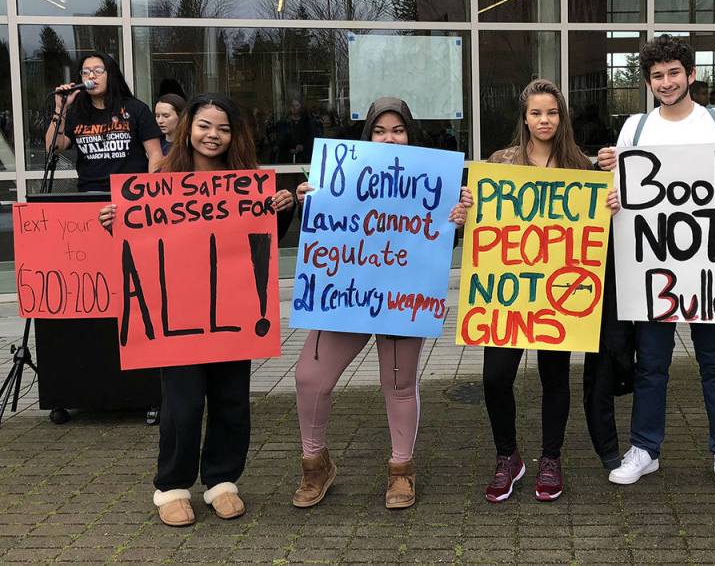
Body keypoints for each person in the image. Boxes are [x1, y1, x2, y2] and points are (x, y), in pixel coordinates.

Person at [100, 93, 296, 528]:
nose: (213, 135)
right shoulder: (160, 181)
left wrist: (282, 211)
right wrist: (116, 223)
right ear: (188, 128)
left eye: (223, 128)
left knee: (232, 401)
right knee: (182, 405)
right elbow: (140, 243)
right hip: (177, 316)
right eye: (205, 125)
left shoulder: (246, 182)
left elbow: (262, 241)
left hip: (232, 312)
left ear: (235, 135)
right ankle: (172, 485)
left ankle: (222, 480)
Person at [595, 35, 715, 493]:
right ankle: (645, 448)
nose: (666, 82)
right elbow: (620, 196)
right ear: (647, 82)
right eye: (657, 75)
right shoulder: (635, 130)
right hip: (653, 266)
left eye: (674, 72)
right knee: (650, 364)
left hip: (713, 267)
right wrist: (609, 191)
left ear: (691, 75)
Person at [290, 97, 470, 511]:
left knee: (400, 384)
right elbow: (324, 228)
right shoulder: (341, 176)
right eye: (379, 130)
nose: (389, 138)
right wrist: (310, 200)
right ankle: (315, 463)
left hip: (402, 298)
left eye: (398, 130)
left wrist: (458, 220)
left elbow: (438, 242)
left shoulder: (430, 181)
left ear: (410, 134)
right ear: (367, 135)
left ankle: (401, 468)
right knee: (309, 377)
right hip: (347, 295)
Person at [476, 78, 607, 503]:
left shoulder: (581, 167)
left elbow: (594, 228)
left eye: (551, 112)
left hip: (557, 294)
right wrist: (469, 206)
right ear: (525, 117)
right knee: (495, 377)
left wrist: (610, 206)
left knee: (555, 378)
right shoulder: (501, 162)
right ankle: (507, 456)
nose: (544, 120)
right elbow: (483, 220)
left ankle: (551, 458)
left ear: (562, 117)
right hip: (508, 293)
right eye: (536, 113)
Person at [45, 52, 163, 192]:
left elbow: (155, 154)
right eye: (85, 72)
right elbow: (54, 148)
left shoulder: (136, 109)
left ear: (111, 74)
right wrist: (60, 108)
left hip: (132, 193)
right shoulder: (76, 112)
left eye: (98, 71)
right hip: (91, 193)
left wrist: (153, 190)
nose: (91, 76)